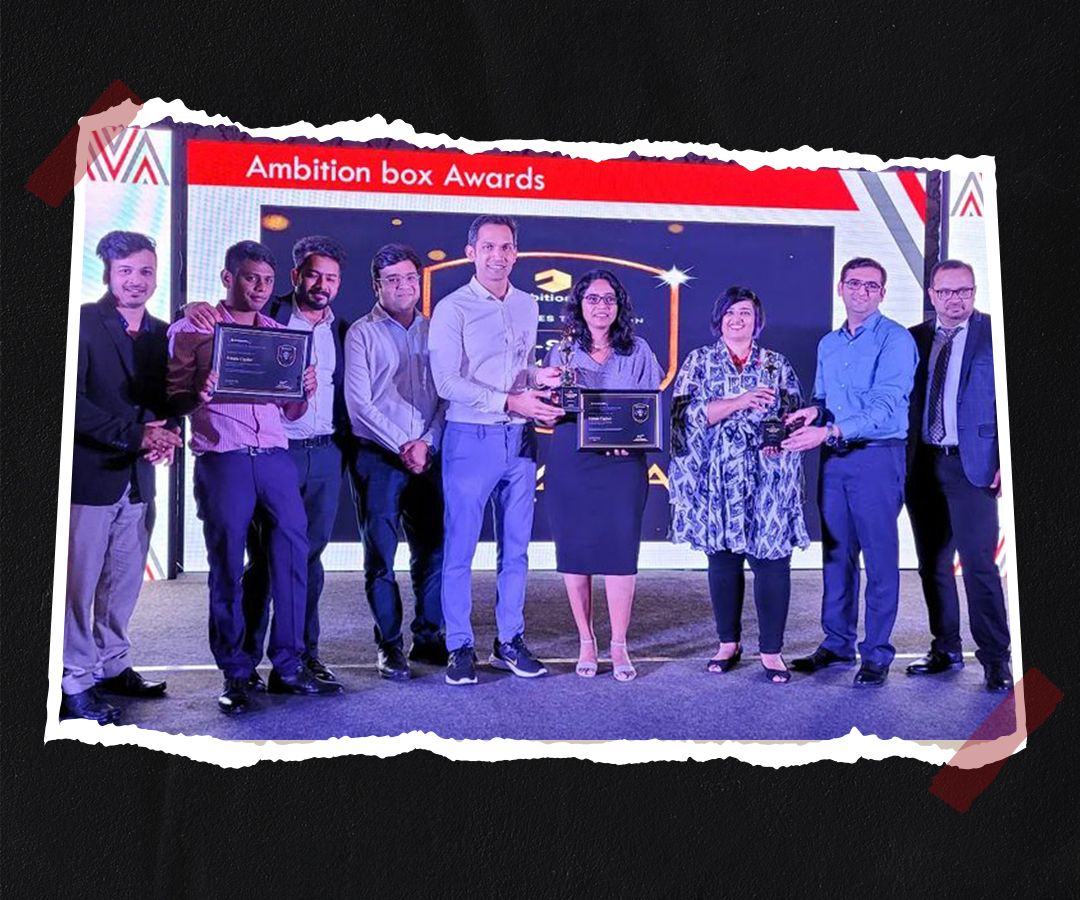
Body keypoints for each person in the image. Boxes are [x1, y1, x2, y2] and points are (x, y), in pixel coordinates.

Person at [167, 240, 342, 714]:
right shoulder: (193, 328)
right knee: (227, 565)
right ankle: (236, 672)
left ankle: (289, 665)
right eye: (250, 278)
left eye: (267, 280)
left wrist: (303, 391)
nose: (260, 288)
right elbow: (173, 398)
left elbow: (291, 410)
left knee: (293, 555)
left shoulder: (281, 335)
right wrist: (198, 394)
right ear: (229, 278)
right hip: (223, 457)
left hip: (274, 456)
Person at [428, 215, 560, 686]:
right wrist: (509, 400)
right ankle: (459, 646)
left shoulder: (527, 304)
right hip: (470, 437)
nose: (498, 256)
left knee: (517, 550)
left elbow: (519, 369)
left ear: (516, 253)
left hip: (519, 439)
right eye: (488, 247)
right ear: (471, 253)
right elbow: (446, 382)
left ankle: (509, 641)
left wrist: (538, 380)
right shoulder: (452, 308)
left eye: (506, 247)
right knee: (460, 549)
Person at [63, 231, 182, 724]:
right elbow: (71, 402)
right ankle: (74, 679)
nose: (137, 280)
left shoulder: (162, 333)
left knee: (123, 582)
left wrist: (169, 433)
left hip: (138, 480)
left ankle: (112, 665)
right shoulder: (82, 323)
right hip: (92, 478)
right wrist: (136, 435)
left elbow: (169, 400)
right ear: (108, 273)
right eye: (126, 271)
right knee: (78, 586)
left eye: (146, 271)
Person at [783, 257, 918, 687]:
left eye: (871, 286)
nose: (862, 291)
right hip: (836, 457)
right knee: (837, 553)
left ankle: (876, 653)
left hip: (877, 456)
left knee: (879, 558)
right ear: (840, 288)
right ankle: (838, 642)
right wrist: (813, 414)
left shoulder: (895, 340)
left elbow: (884, 406)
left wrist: (829, 431)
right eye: (854, 283)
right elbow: (824, 400)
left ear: (883, 293)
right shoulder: (829, 344)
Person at [669, 287, 809, 684]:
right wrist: (739, 401)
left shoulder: (776, 364)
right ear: (719, 319)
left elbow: (794, 414)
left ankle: (771, 651)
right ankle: (727, 644)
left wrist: (782, 436)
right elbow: (683, 418)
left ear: (757, 320)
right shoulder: (699, 361)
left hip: (768, 477)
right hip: (717, 478)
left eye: (745, 312)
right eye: (730, 312)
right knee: (723, 560)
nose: (737, 319)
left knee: (772, 563)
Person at [542, 269, 662, 682]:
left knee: (620, 552)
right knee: (574, 551)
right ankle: (587, 641)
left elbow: (651, 407)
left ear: (619, 306)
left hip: (623, 464)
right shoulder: (561, 352)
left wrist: (631, 438)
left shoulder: (638, 350)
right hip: (572, 461)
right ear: (579, 304)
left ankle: (619, 644)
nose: (601, 306)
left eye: (609, 299)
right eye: (592, 298)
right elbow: (550, 407)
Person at [904, 260, 1012, 692]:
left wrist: (1008, 458)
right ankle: (945, 648)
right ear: (932, 294)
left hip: (974, 466)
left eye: (963, 290)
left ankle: (995, 659)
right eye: (946, 291)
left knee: (980, 565)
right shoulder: (914, 339)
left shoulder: (995, 334)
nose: (955, 299)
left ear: (974, 291)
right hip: (923, 467)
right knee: (933, 565)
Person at [345, 243, 446, 681]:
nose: (403, 286)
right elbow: (359, 406)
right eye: (392, 280)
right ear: (377, 286)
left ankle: (429, 636)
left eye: (409, 278)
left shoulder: (436, 331)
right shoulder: (361, 333)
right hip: (379, 457)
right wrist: (405, 444)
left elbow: (445, 397)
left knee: (433, 551)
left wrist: (426, 443)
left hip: (428, 456)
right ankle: (389, 645)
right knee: (380, 557)